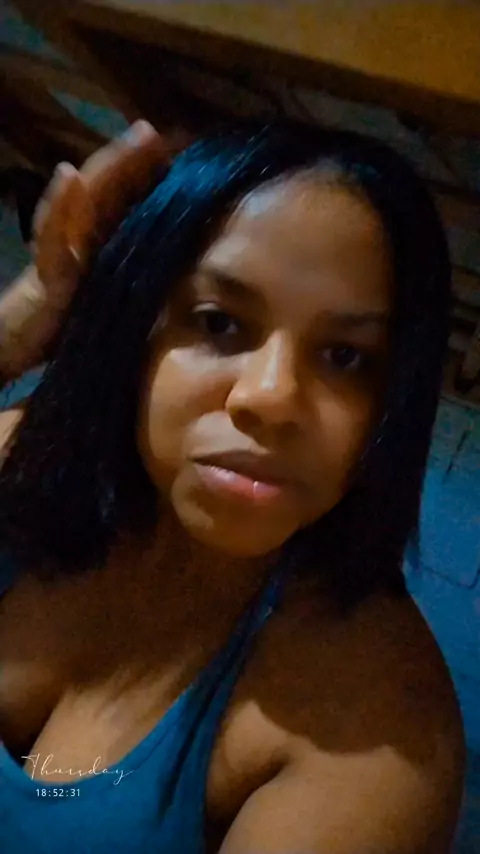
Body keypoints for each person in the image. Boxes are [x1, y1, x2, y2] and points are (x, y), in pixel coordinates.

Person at [0, 120, 466, 853]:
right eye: (218, 322)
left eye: (346, 357)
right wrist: (29, 312)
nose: (270, 397)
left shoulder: (372, 736)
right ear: (138, 326)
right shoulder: (30, 473)